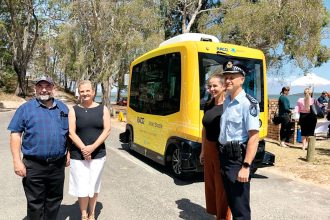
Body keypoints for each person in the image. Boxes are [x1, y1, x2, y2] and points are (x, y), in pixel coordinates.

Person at [7, 76, 69, 220]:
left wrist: (69, 153)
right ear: (35, 88)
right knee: (35, 203)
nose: (44, 89)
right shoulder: (25, 109)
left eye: (47, 86)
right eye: (40, 86)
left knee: (54, 200)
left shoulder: (63, 108)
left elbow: (69, 133)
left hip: (57, 165)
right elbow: (15, 134)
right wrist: (17, 161)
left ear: (52, 88)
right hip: (34, 165)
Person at [218, 60, 260, 220]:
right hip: (225, 156)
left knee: (240, 208)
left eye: (232, 77)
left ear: (242, 79)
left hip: (237, 160)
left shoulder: (248, 103)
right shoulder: (227, 100)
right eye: (226, 77)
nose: (228, 80)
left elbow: (254, 137)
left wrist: (246, 166)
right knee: (231, 202)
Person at [68, 80, 111, 220]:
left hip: (98, 154)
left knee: (93, 185)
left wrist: (92, 147)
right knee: (81, 186)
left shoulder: (103, 109)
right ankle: (83, 214)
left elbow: (107, 130)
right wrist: (84, 149)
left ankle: (92, 213)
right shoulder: (74, 110)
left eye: (87, 91)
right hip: (77, 155)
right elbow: (71, 132)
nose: (85, 94)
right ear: (79, 93)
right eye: (82, 91)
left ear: (93, 92)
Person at [199, 72, 231, 220]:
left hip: (222, 150)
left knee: (222, 187)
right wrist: (203, 150)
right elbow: (204, 128)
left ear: (224, 86)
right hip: (210, 148)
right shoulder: (208, 104)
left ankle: (224, 217)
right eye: (209, 86)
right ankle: (216, 213)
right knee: (211, 185)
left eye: (215, 86)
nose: (211, 89)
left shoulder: (230, 105)